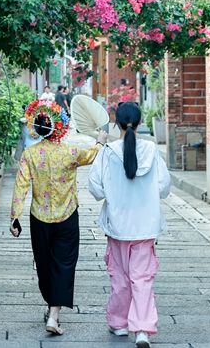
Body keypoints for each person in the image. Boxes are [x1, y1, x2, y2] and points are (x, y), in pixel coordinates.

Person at [10, 111, 109, 335]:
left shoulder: (30, 154)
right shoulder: (70, 152)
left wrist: (15, 216)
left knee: (44, 264)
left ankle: (51, 308)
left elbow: (21, 185)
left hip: (39, 218)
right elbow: (92, 155)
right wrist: (100, 141)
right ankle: (54, 315)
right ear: (60, 128)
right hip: (67, 216)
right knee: (64, 263)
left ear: (37, 129)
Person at [87, 102, 170, 348]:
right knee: (142, 278)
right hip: (146, 226)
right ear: (140, 122)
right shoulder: (152, 150)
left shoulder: (108, 152)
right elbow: (163, 187)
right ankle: (142, 330)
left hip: (117, 225)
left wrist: (114, 193)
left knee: (120, 277)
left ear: (117, 122)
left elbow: (96, 188)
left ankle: (120, 323)